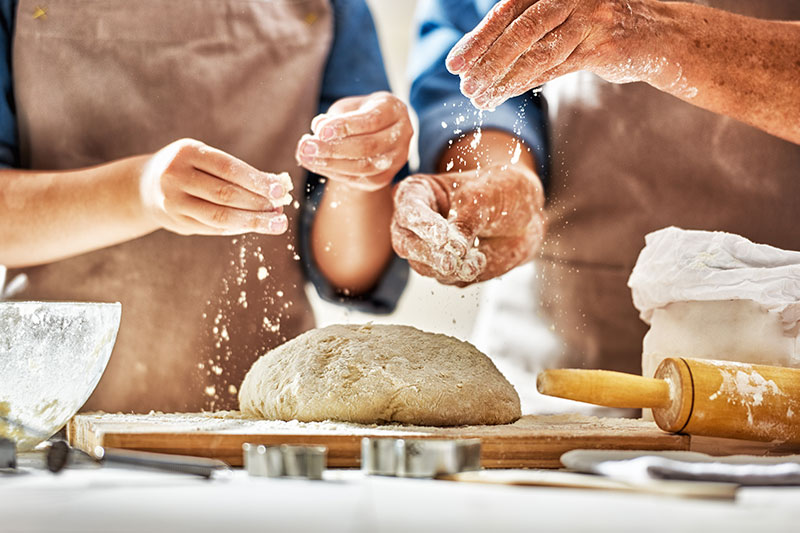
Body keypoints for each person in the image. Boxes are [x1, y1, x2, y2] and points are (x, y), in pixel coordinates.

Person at [0, 0, 412, 411]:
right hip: (50, 415)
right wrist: (140, 191)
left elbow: (351, 273)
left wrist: (358, 167)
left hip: (259, 429)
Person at [394, 0, 800, 378]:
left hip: (780, 348)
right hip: (554, 356)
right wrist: (504, 177)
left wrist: (653, 32)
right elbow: (477, 41)